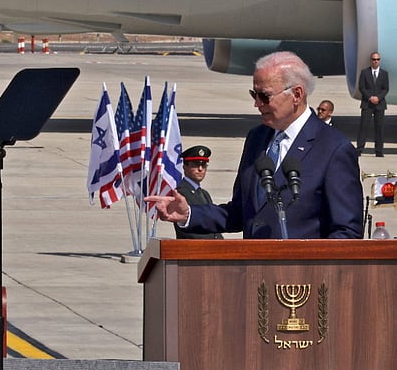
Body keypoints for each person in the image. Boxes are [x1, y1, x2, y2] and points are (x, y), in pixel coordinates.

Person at [147, 51, 363, 239]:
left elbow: (347, 233)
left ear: (296, 94)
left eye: (264, 96)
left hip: (304, 281)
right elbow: (241, 212)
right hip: (255, 276)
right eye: (254, 94)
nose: (256, 104)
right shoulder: (257, 138)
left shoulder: (333, 148)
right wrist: (189, 214)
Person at [174, 145, 223, 240]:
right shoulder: (181, 193)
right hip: (193, 248)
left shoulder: (204, 194)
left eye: (203, 165)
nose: (200, 169)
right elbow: (188, 230)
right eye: (195, 165)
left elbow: (212, 222)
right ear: (185, 167)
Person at [357, 52, 388, 157]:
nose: (376, 61)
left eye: (378, 59)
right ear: (371, 60)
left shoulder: (384, 74)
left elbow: (385, 88)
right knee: (363, 127)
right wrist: (370, 97)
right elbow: (362, 87)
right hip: (367, 104)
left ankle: (379, 151)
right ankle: (359, 149)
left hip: (380, 104)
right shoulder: (364, 72)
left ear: (380, 60)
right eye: (374, 59)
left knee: (379, 128)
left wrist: (378, 98)